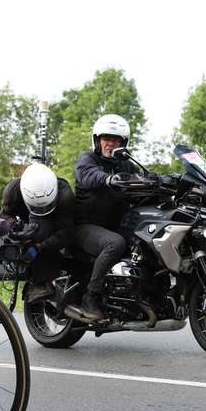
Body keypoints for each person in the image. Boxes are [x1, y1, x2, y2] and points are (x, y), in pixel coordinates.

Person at [73, 114, 140, 322]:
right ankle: (90, 297)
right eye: (106, 139)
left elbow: (140, 179)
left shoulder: (127, 166)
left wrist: (161, 181)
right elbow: (89, 175)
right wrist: (109, 178)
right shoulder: (87, 160)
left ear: (123, 143)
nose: (111, 144)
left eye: (116, 140)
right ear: (97, 140)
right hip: (85, 227)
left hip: (114, 226)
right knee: (115, 243)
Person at [0, 162, 75, 303]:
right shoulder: (12, 191)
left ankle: (44, 279)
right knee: (22, 231)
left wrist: (40, 246)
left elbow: (66, 232)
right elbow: (4, 215)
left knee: (42, 230)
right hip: (26, 224)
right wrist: (14, 225)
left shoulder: (65, 196)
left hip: (53, 226)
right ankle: (30, 274)